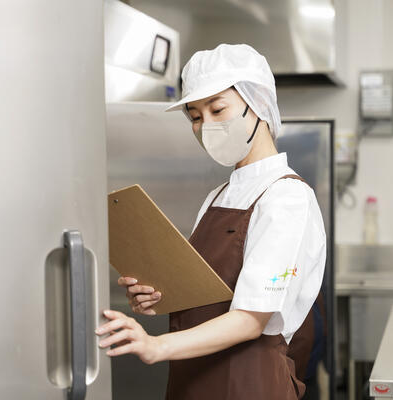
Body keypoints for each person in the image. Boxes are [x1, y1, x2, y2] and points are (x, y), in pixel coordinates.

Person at [95, 43, 327, 400]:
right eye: (195, 117)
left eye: (218, 109)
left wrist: (156, 346)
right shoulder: (218, 196)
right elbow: (206, 295)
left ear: (259, 103)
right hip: (192, 379)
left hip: (249, 384)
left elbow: (251, 320)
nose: (207, 126)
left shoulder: (287, 198)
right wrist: (158, 296)